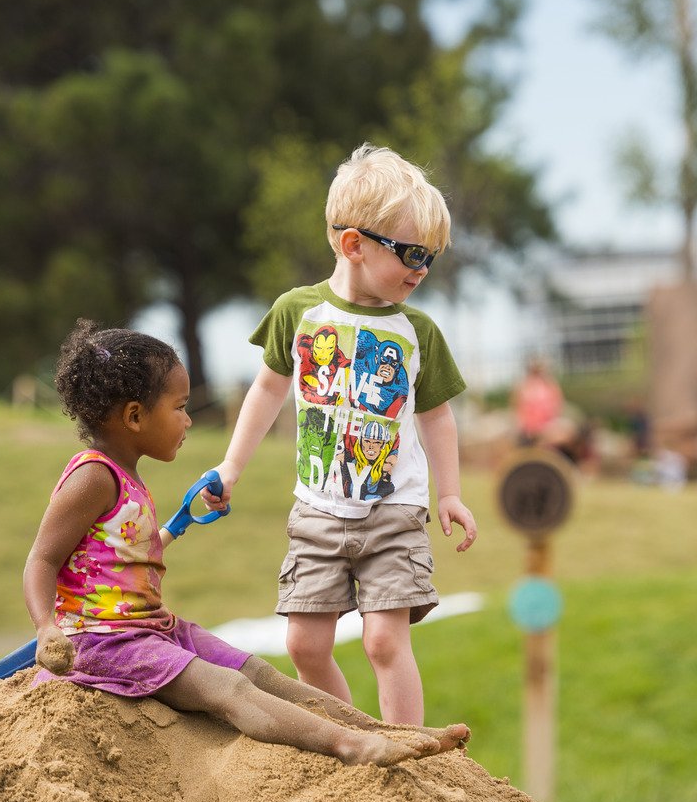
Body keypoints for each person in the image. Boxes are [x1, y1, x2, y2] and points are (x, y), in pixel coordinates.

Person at [26, 320, 469, 767]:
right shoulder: (92, 477)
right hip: (105, 642)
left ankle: (384, 730)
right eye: (180, 407)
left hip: (153, 627)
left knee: (256, 671)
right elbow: (42, 559)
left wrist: (177, 528)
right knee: (229, 688)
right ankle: (351, 745)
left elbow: (117, 557)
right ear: (135, 416)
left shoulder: (126, 476)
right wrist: (46, 628)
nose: (188, 420)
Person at [203, 143, 478, 726]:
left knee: (383, 641)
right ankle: (350, 741)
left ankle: (407, 751)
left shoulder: (417, 332)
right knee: (304, 646)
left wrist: (450, 492)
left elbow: (436, 416)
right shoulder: (297, 312)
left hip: (393, 511)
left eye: (431, 256)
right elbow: (267, 391)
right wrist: (230, 467)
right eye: (411, 253)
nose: (422, 269)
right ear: (354, 244)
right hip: (317, 511)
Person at [511, 357, 564, 446]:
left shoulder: (549, 384)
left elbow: (557, 403)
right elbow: (517, 405)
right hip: (529, 426)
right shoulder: (524, 385)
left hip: (547, 423)